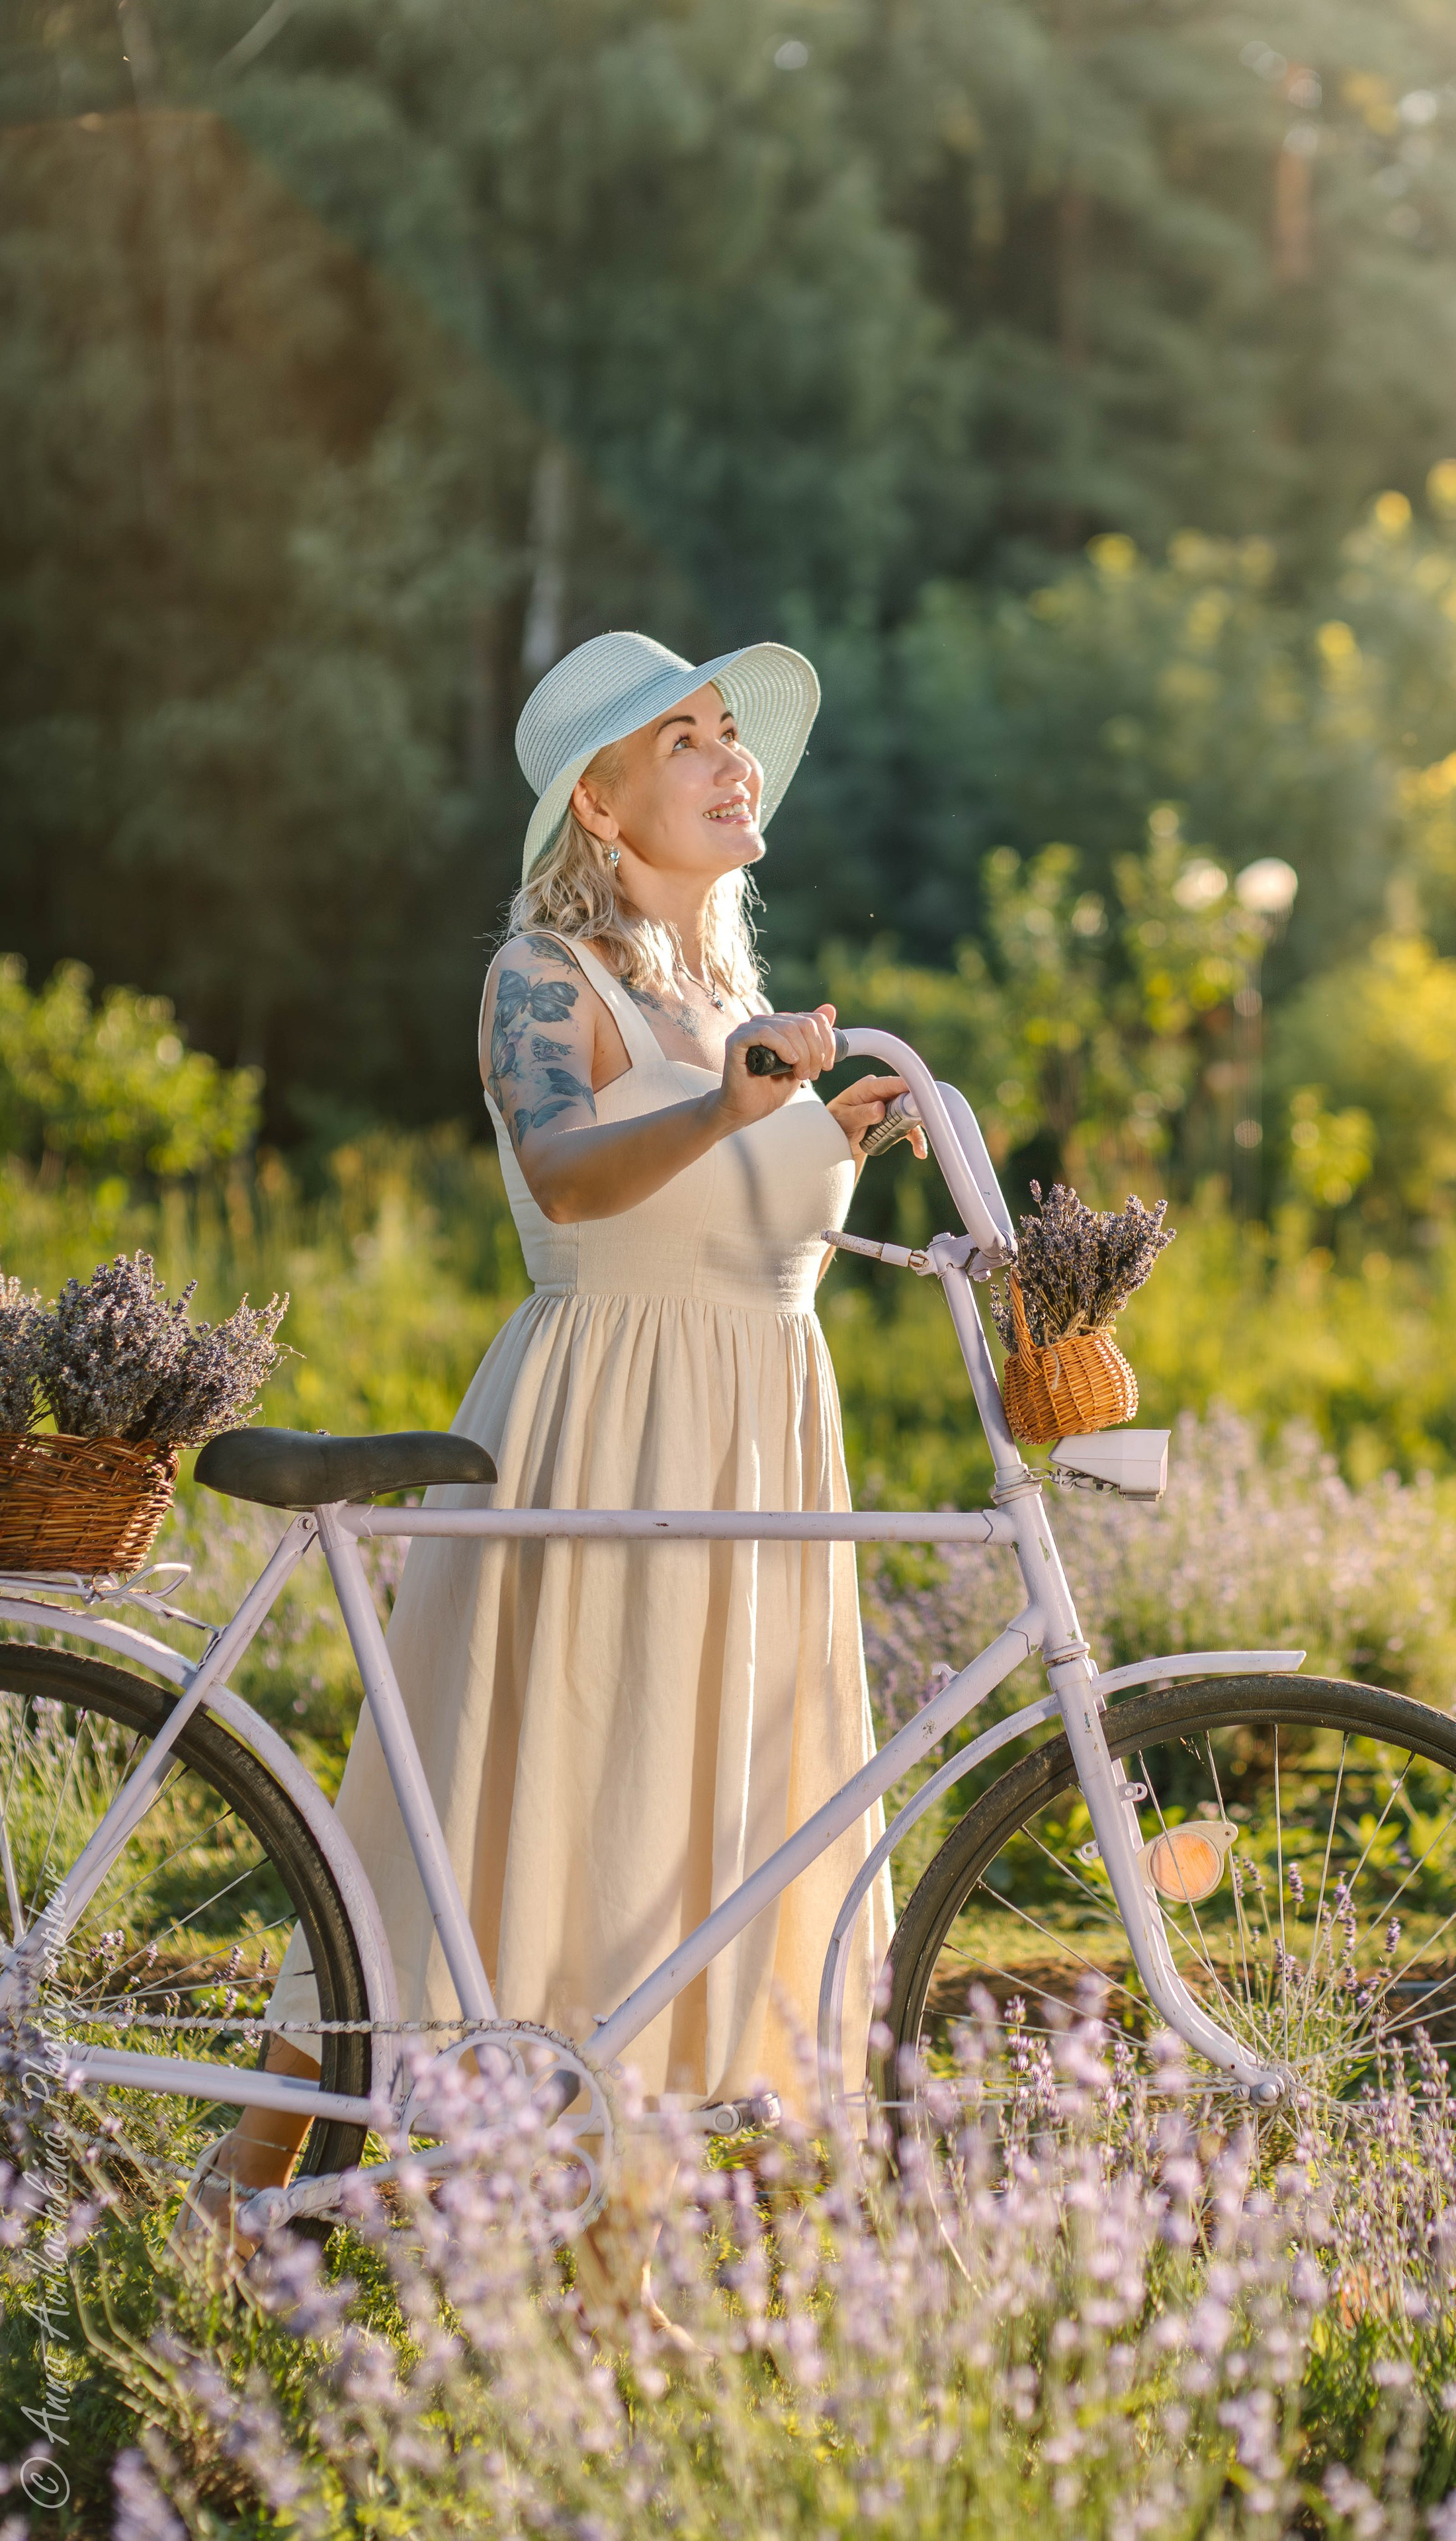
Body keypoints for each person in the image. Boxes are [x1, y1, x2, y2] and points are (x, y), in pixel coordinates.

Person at [174, 631, 913, 2325]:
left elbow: (742, 1220)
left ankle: (609, 2271)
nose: (734, 764)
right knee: (481, 1808)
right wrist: (736, 1113)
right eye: (686, 740)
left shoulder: (735, 1006)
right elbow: (571, 1177)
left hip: (756, 1450)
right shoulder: (541, 970)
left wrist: (833, 1135)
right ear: (600, 794)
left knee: (689, 1837)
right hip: (598, 1426)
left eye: (735, 735)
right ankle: (245, 2181)